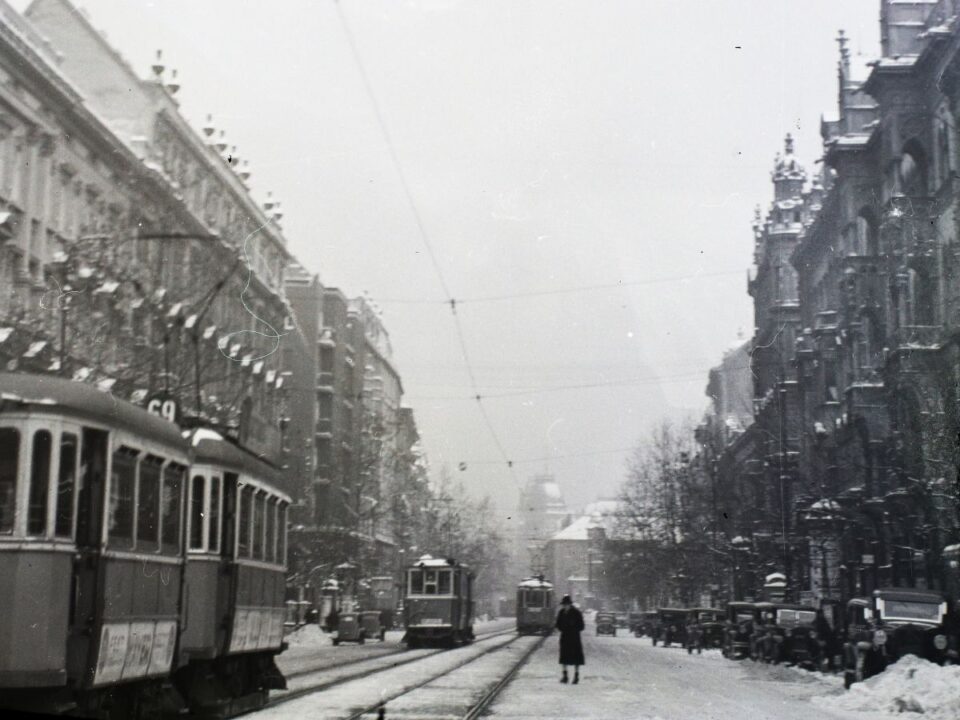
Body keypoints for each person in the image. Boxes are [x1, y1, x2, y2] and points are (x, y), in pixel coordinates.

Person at [555, 594, 585, 684]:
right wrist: (562, 628)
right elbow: (558, 624)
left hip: (574, 638)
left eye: (566, 604)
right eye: (564, 604)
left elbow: (582, 626)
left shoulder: (576, 613)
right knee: (564, 657)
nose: (565, 606)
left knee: (576, 658)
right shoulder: (561, 612)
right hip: (565, 637)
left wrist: (573, 628)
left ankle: (576, 676)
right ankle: (565, 676)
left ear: (569, 604)